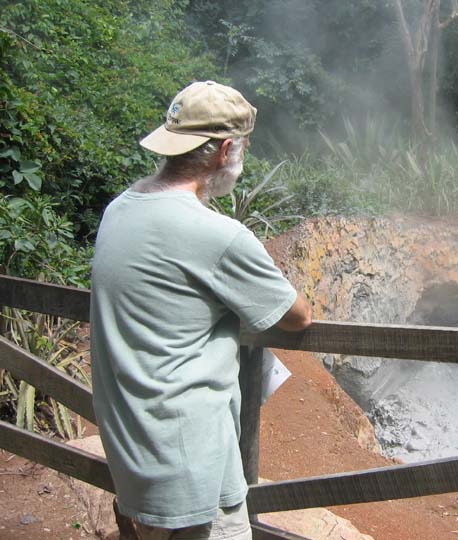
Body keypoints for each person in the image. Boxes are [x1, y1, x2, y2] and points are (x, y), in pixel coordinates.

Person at [90, 80, 312, 540]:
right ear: (224, 150)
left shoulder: (119, 210)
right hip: (192, 472)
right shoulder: (217, 235)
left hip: (134, 457)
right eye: (243, 146)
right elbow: (297, 316)